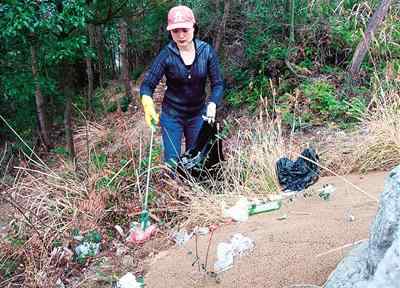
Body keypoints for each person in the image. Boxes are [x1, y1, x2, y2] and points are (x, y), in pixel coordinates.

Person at [140, 5, 224, 166]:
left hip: (198, 115)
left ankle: (191, 191)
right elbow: (148, 84)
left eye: (185, 30)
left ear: (194, 27)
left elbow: (218, 83)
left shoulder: (206, 52)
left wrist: (212, 103)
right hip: (172, 116)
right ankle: (174, 189)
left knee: (195, 162)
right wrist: (147, 101)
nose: (180, 35)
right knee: (172, 163)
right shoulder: (167, 54)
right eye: (175, 31)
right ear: (170, 32)